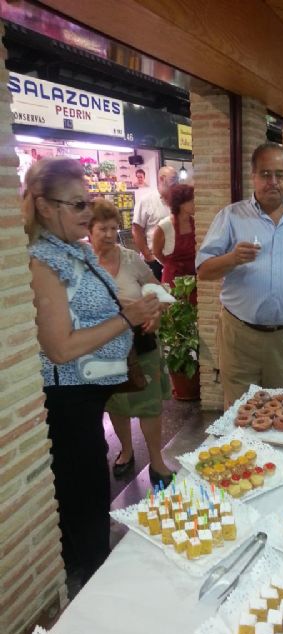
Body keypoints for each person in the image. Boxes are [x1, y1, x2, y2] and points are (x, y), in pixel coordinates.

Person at [25, 157, 160, 586]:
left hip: (90, 397)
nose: (87, 213)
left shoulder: (76, 249)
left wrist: (135, 311)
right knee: (81, 499)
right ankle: (91, 589)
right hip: (68, 400)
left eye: (88, 203)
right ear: (46, 207)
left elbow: (95, 310)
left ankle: (97, 571)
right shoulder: (42, 262)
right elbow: (60, 347)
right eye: (78, 204)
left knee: (91, 491)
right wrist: (126, 319)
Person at [196, 142, 283, 407]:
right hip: (240, 337)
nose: (273, 181)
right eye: (265, 174)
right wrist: (232, 258)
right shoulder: (231, 217)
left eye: (279, 174)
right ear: (253, 176)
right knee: (239, 414)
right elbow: (203, 270)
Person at [89, 198, 173, 487]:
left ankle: (157, 460)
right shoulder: (83, 263)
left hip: (140, 342)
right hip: (104, 346)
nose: (111, 234)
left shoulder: (131, 258)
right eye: (103, 228)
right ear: (89, 229)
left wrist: (157, 314)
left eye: (115, 228)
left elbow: (156, 290)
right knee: (116, 404)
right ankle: (125, 451)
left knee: (149, 405)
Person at [132, 165, 178, 280]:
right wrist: (148, 255)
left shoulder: (178, 200)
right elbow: (136, 230)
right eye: (173, 179)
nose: (177, 182)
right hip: (154, 261)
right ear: (162, 179)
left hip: (174, 260)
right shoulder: (146, 200)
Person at [152, 183, 196, 301]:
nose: (195, 203)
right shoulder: (164, 226)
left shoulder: (197, 224)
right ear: (180, 203)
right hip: (173, 279)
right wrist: (170, 265)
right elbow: (156, 252)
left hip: (194, 278)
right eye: (191, 200)